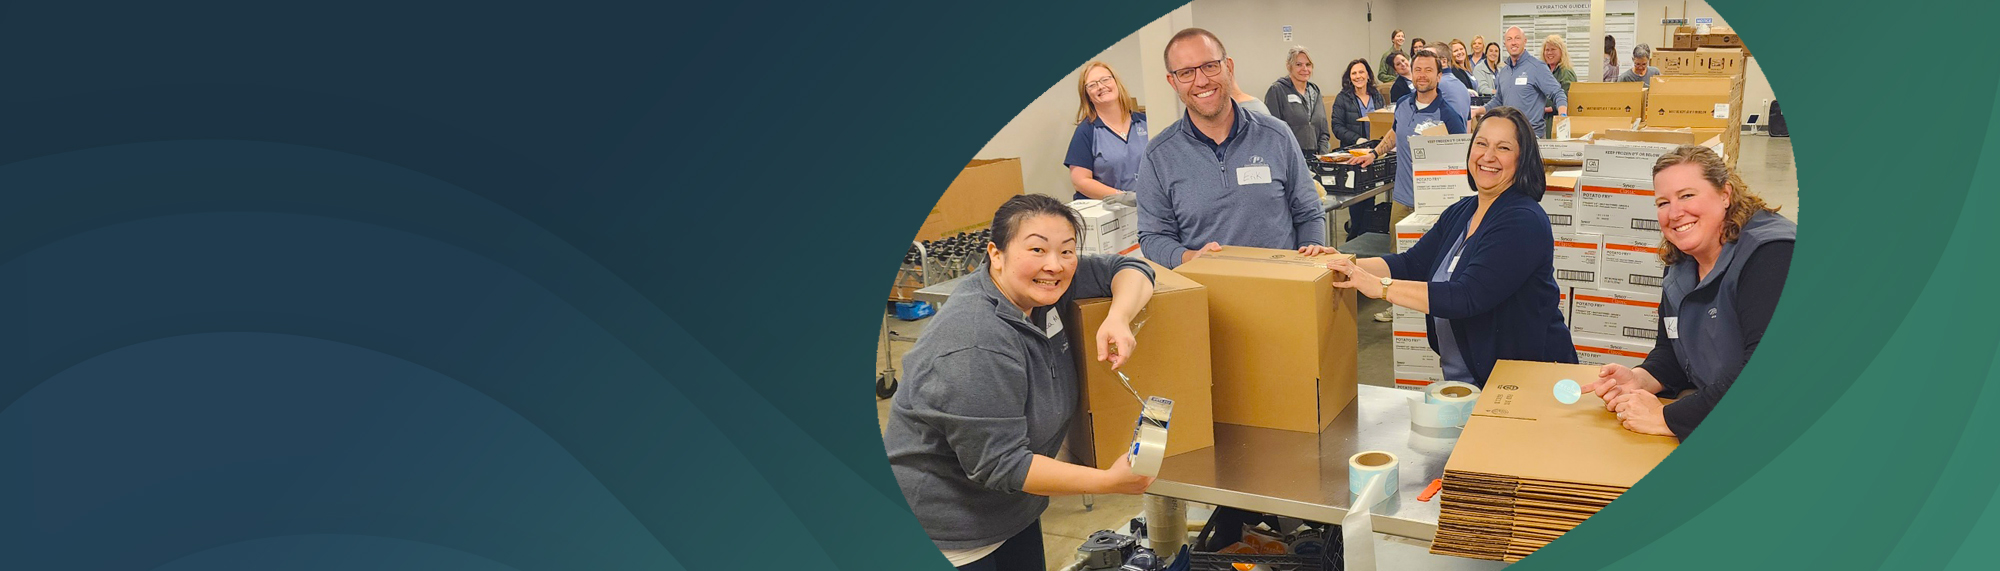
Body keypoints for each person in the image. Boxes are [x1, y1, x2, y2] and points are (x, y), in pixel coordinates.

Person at [885, 194, 1160, 570]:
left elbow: (1131, 268)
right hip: (949, 533)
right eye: (1036, 249)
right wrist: (1108, 481)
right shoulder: (976, 341)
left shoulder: (1042, 291)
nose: (1055, 265)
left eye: (1067, 251)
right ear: (995, 254)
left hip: (1014, 509)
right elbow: (1002, 464)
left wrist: (1119, 317)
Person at [1328, 106, 1577, 385]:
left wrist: (1381, 288)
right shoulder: (1463, 211)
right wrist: (1346, 264)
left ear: (1522, 159)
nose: (1488, 156)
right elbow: (1410, 264)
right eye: (1481, 143)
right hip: (1471, 377)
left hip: (1527, 382)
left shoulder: (1522, 221)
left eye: (1503, 148)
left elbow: (1466, 297)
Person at [1583, 146, 1796, 440]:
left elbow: (1767, 374)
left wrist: (1665, 418)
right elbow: (1673, 350)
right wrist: (1642, 379)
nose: (1674, 213)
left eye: (1687, 195)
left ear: (1725, 194)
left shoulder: (1772, 255)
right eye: (1662, 202)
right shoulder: (1683, 262)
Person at [1135, 28, 1332, 268]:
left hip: (1283, 290)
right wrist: (1190, 257)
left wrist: (1311, 254)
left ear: (1229, 67)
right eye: (1186, 72)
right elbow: (1153, 236)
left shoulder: (1277, 135)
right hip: (1206, 296)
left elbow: (1309, 211)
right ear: (1173, 81)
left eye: (1210, 66)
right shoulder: (1159, 155)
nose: (1201, 81)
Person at [1341, 48, 1467, 322]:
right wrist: (1375, 153)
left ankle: (1429, 307)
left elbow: (1462, 155)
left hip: (1435, 203)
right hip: (1403, 197)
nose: (1422, 75)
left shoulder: (1449, 114)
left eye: (1428, 70)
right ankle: (1397, 306)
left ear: (1438, 75)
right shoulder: (1404, 104)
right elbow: (1396, 132)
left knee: (1433, 256)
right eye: (1417, 69)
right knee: (1398, 254)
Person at [1064, 62, 1149, 200]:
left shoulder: (1145, 123)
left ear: (1116, 82)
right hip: (1110, 212)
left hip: (1150, 207)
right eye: (1092, 85)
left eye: (1105, 80)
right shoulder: (1086, 131)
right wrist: (1123, 197)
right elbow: (1080, 182)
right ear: (1087, 95)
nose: (1101, 86)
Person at [1487, 26, 1568, 138]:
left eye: (1517, 38)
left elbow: (1558, 93)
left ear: (1525, 41)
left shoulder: (1537, 67)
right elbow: (1498, 101)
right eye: (1509, 39)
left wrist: (1562, 116)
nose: (1513, 42)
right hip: (1509, 136)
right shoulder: (1504, 72)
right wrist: (1476, 112)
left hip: (1532, 137)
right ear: (1505, 44)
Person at [1264, 45, 1331, 156]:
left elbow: (1323, 130)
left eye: (1308, 65)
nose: (1304, 69)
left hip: (1315, 158)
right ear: (1289, 66)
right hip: (1289, 158)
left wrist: (1323, 156)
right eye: (1299, 65)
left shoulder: (1315, 91)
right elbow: (1272, 131)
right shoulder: (1277, 90)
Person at [1329, 58, 1385, 146]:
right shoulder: (1342, 98)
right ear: (1350, 78)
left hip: (1377, 149)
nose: (1358, 76)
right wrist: (1357, 139)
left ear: (1368, 75)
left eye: (1361, 72)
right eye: (1354, 73)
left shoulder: (1377, 96)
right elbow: (1337, 127)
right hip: (1353, 150)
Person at [1541, 35, 1578, 137]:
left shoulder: (1566, 72)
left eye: (1553, 49)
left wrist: (1547, 109)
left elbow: (1568, 97)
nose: (1549, 53)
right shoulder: (1543, 72)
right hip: (1543, 121)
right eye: (1547, 50)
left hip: (1557, 120)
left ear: (1561, 52)